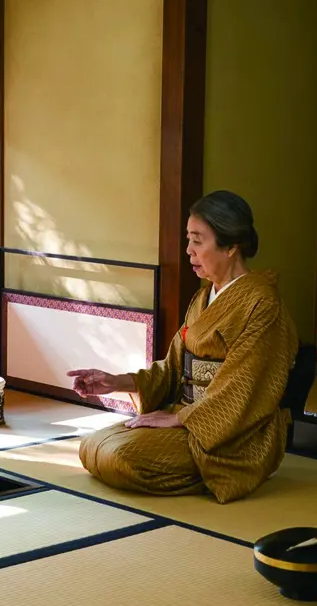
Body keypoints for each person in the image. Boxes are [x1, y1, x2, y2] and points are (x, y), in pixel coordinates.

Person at [69, 190, 298, 504]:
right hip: (189, 418)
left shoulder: (262, 304)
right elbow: (175, 367)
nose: (188, 250)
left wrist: (183, 419)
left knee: (122, 456)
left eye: (197, 240)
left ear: (231, 245)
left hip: (232, 436)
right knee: (92, 446)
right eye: (188, 239)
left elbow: (245, 386)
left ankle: (219, 472)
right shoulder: (204, 297)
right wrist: (119, 382)